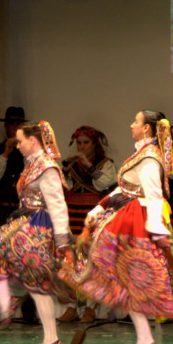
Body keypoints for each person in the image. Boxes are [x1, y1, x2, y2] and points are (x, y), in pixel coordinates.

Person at [59, 111, 173, 344]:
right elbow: (124, 189)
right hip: (126, 216)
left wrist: (156, 230)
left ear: (146, 129)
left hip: (136, 221)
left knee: (125, 276)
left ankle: (143, 336)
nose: (131, 124)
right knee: (125, 279)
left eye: (136, 121)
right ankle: (144, 337)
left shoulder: (149, 158)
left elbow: (153, 195)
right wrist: (99, 206)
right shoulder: (141, 154)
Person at [0, 121, 72, 344]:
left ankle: (44, 333)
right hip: (23, 225)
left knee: (33, 281)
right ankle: (13, 305)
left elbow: (58, 205)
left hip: (37, 228)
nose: (17, 145)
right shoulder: (31, 165)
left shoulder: (47, 168)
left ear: (33, 141)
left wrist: (61, 239)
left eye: (21, 141)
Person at [58, 125, 117, 323]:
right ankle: (72, 306)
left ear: (95, 144)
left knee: (93, 259)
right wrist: (65, 170)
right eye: (79, 143)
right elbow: (64, 188)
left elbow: (106, 185)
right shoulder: (71, 163)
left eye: (86, 143)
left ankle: (91, 307)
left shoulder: (105, 163)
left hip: (92, 213)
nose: (82, 147)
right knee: (72, 259)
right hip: (73, 212)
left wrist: (89, 166)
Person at [0, 107, 29, 230]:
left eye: (18, 124)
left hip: (21, 209)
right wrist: (5, 154)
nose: (14, 128)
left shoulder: (29, 151)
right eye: (11, 124)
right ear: (5, 126)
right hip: (1, 210)